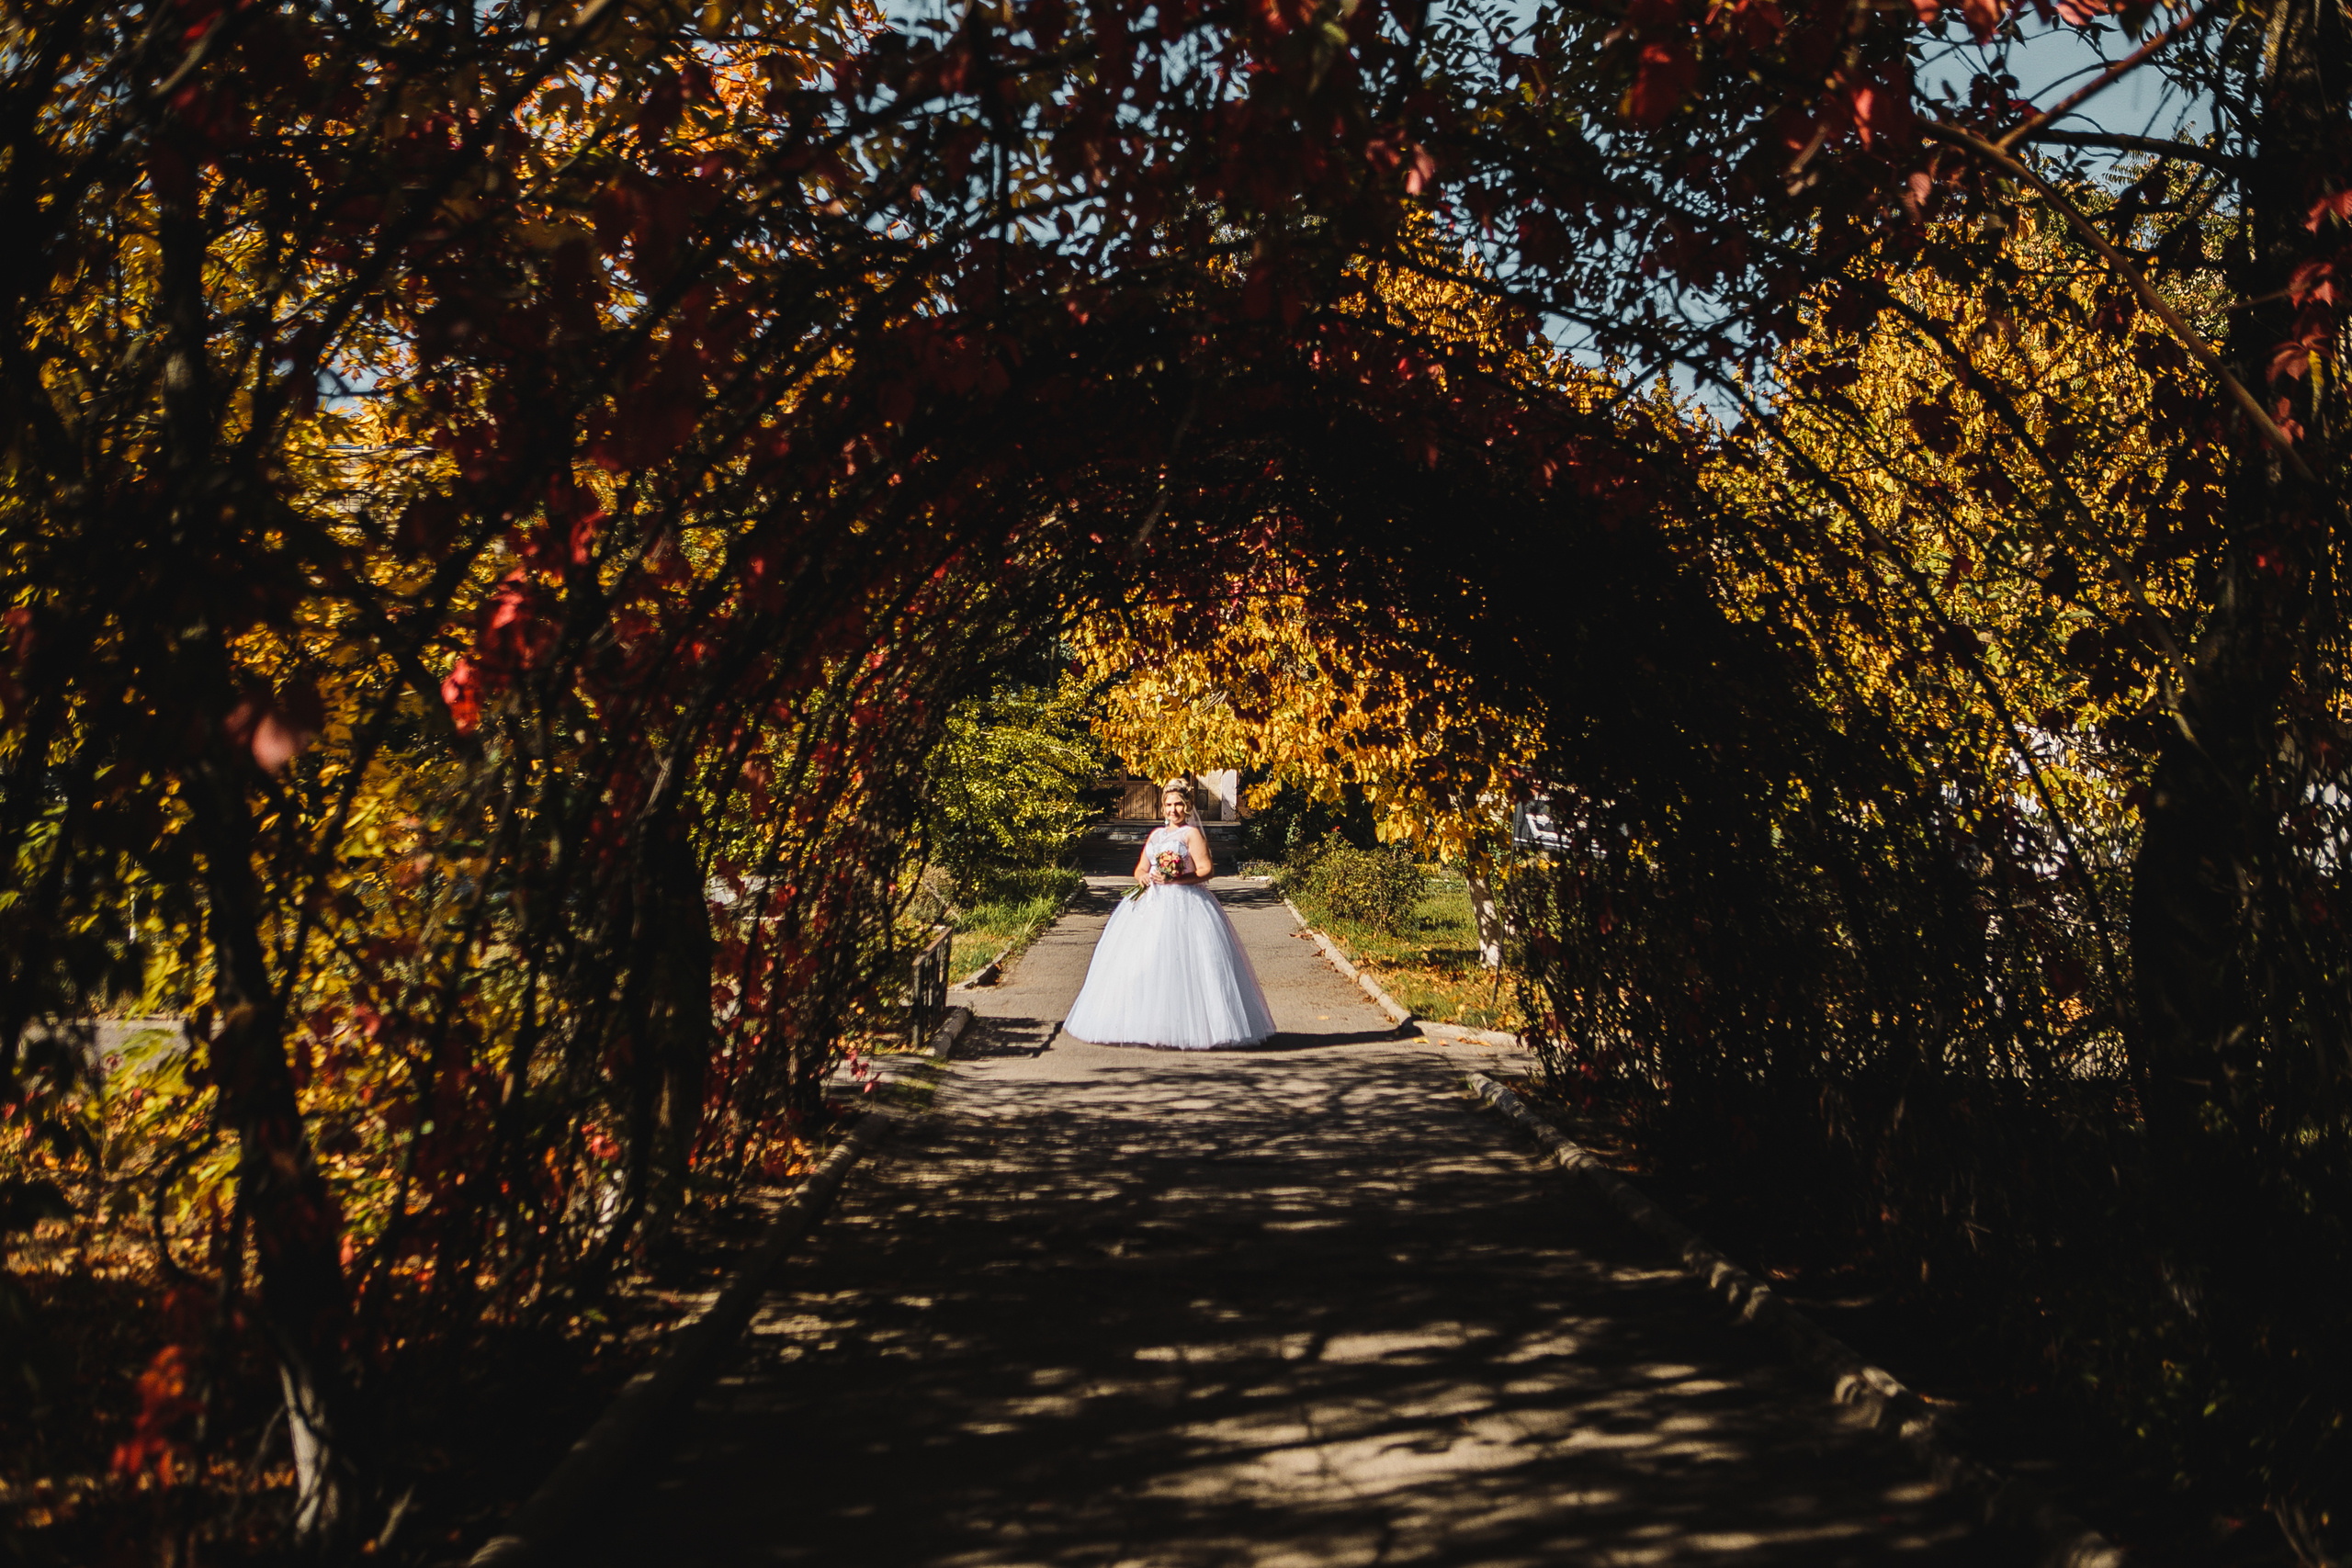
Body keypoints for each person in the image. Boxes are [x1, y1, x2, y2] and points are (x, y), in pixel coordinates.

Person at [1062, 779, 1278, 1049]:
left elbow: (1206, 870)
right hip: (1150, 903)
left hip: (1186, 903)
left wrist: (1176, 878)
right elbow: (1141, 868)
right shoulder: (1155, 835)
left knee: (1185, 965)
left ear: (1187, 806)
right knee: (1145, 963)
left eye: (1178, 804)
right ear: (1162, 807)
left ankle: (1194, 1028)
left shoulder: (1191, 835)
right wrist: (1143, 878)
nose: (1172, 809)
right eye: (1168, 804)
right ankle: (1147, 1025)